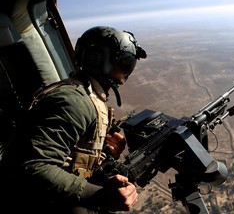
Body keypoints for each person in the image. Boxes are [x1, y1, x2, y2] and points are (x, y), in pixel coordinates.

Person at [0, 26, 147, 214]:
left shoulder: (89, 95)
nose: (128, 72)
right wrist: (101, 196)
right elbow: (31, 167)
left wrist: (104, 151)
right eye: (126, 63)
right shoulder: (74, 102)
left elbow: (72, 154)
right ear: (99, 59)